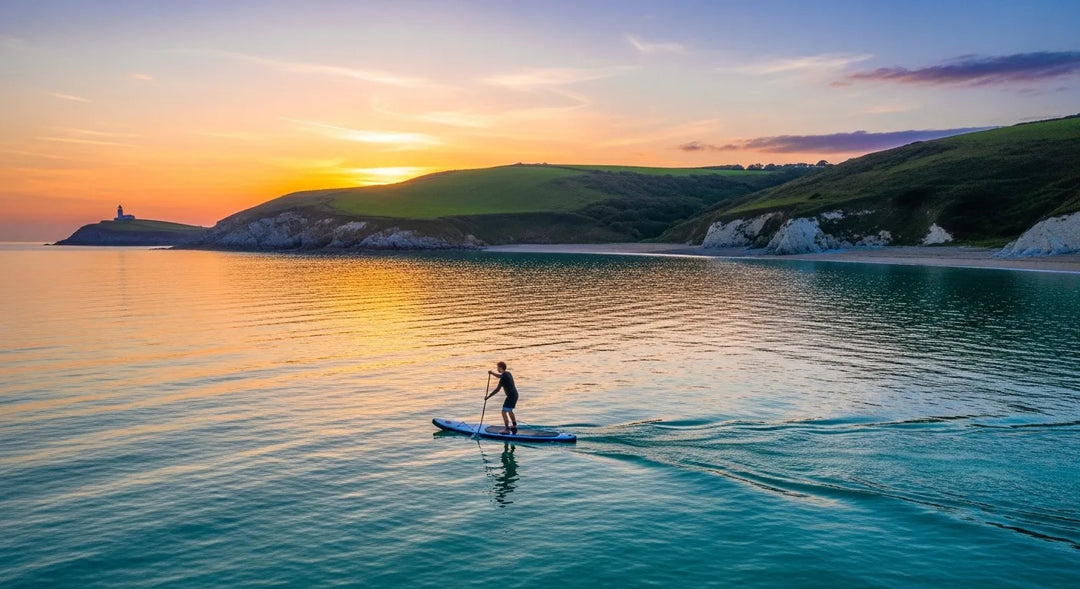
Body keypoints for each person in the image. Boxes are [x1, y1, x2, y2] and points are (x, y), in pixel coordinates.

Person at [486, 361, 518, 434]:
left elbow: (497, 390)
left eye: (497, 367)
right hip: (515, 395)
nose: (497, 369)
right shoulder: (508, 373)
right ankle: (514, 425)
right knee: (510, 411)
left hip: (510, 397)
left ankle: (507, 429)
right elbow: (499, 376)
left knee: (504, 412)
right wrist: (492, 373)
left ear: (500, 368)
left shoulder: (503, 378)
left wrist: (488, 397)